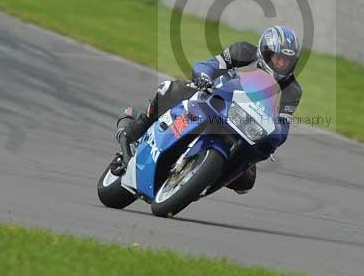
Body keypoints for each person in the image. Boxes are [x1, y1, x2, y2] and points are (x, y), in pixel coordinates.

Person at [111, 26, 303, 193]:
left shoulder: (292, 90)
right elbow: (209, 65)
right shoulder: (243, 51)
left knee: (246, 182)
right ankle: (139, 126)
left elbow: (283, 126)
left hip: (246, 125)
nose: (281, 64)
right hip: (212, 97)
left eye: (286, 61)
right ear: (265, 52)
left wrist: (274, 136)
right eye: (277, 58)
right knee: (169, 89)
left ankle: (203, 177)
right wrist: (204, 76)